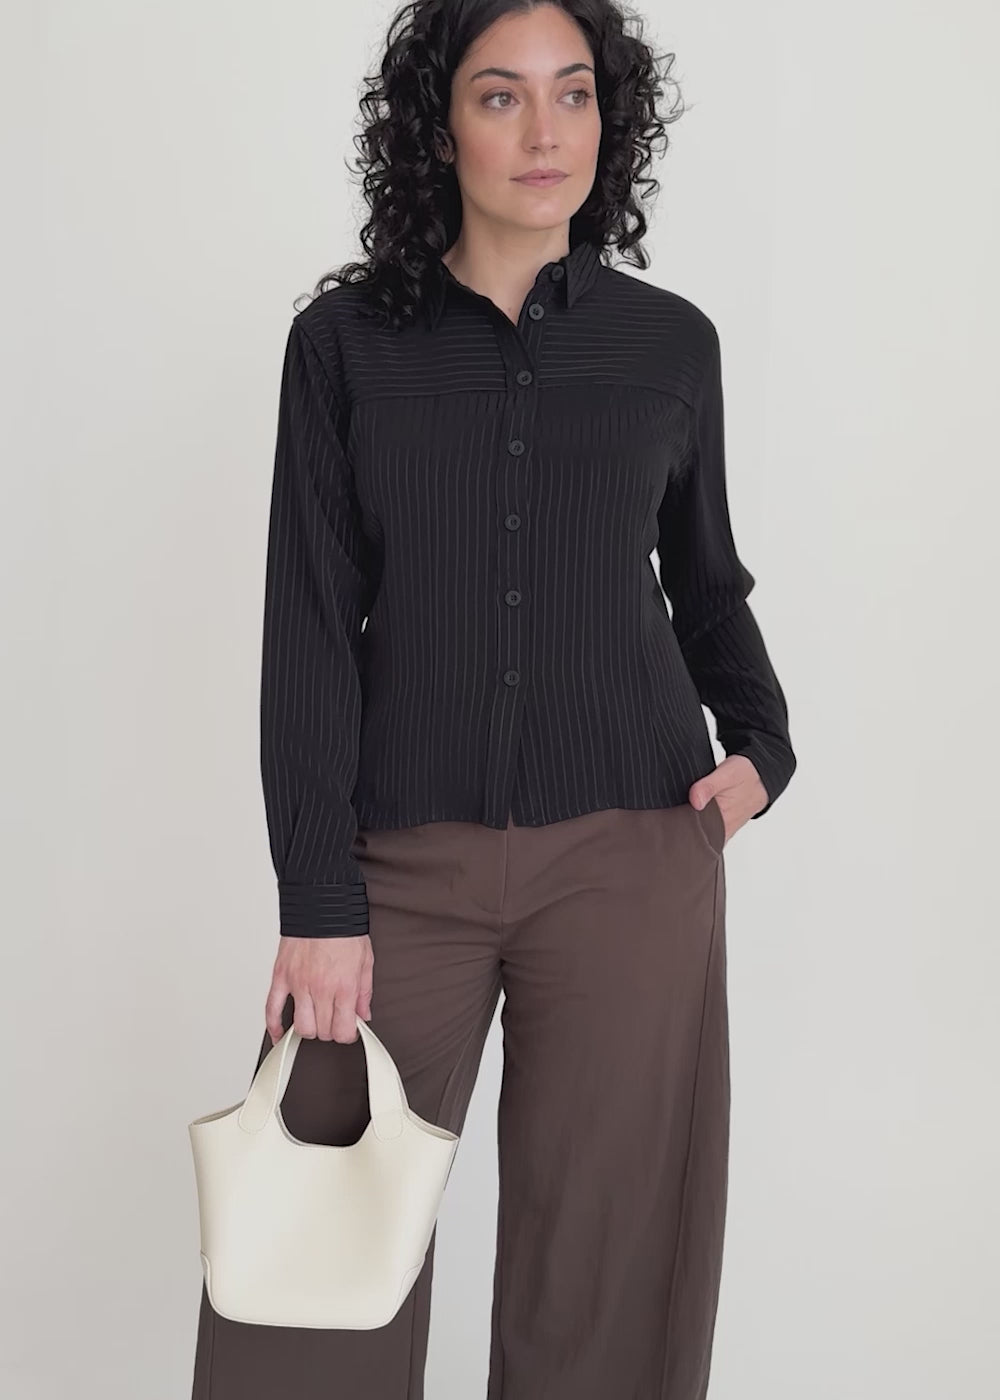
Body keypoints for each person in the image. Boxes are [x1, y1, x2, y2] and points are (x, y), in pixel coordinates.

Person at [190, 2, 796, 1397]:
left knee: (607, 1277)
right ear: (438, 124)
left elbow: (704, 582)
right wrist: (318, 902)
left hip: (633, 853)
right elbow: (309, 628)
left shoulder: (670, 346)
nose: (544, 133)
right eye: (500, 95)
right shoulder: (345, 347)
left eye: (573, 94)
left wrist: (763, 743)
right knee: (309, 1286)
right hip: (399, 869)